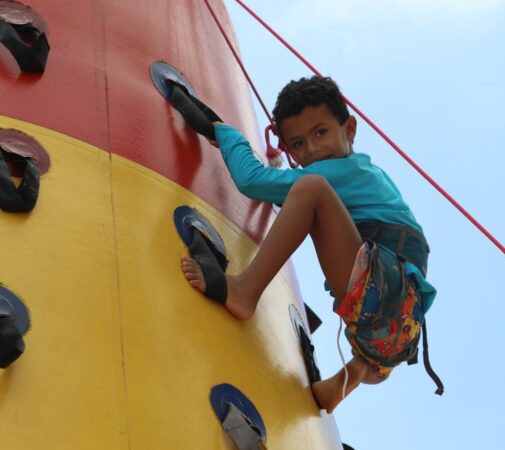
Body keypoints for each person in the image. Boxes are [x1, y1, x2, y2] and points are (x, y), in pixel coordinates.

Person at [180, 76, 437, 413]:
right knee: (311, 193)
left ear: (350, 129)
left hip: (384, 291)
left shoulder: (344, 172)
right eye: (298, 144)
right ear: (287, 150)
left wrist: (225, 134)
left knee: (310, 189)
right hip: (400, 327)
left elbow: (253, 181)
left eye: (321, 133)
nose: (312, 150)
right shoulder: (369, 176)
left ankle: (244, 292)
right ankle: (357, 370)